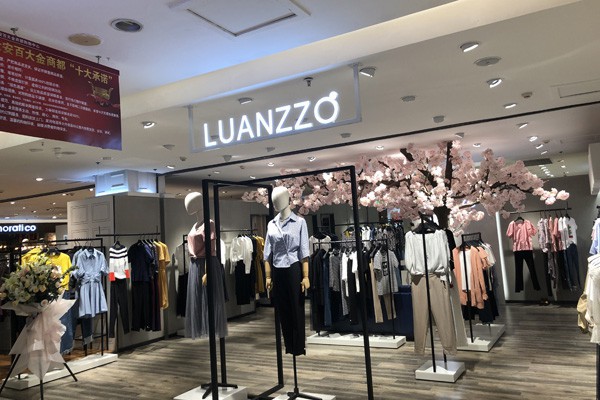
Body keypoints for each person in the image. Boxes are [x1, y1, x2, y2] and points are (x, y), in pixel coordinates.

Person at [264, 186, 310, 355]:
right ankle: (289, 346)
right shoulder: (271, 224)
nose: (276, 202)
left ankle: (298, 347)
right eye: (274, 200)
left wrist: (306, 276)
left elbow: (304, 252)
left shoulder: (299, 222)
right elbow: (267, 254)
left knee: (296, 308)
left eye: (279, 199)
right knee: (282, 309)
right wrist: (268, 277)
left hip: (293, 268)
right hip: (277, 269)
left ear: (287, 200)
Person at [184, 192, 228, 339]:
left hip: (206, 264)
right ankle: (201, 327)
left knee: (209, 298)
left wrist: (207, 271)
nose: (187, 206)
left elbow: (210, 249)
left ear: (199, 203)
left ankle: (211, 328)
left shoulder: (209, 223)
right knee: (197, 299)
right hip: (195, 265)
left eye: (190, 202)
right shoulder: (195, 225)